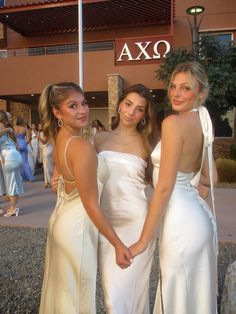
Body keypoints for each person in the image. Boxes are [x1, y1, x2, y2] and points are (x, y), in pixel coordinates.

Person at [130, 62, 218, 314]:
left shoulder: (173, 124)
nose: (176, 93)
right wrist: (193, 184)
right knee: (195, 297)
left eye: (186, 88)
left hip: (180, 222)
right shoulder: (202, 119)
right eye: (173, 87)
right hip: (199, 220)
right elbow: (211, 175)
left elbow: (164, 187)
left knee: (177, 295)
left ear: (200, 93)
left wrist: (143, 241)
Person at [38, 82, 132, 314]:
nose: (82, 110)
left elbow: (57, 181)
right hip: (77, 231)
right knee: (78, 298)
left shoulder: (60, 137)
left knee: (63, 295)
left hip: (62, 222)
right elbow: (91, 204)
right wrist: (118, 244)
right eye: (73, 106)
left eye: (84, 103)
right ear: (57, 112)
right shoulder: (80, 147)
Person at [94, 84, 157, 313]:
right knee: (112, 298)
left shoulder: (149, 143)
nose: (131, 112)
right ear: (120, 104)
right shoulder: (99, 139)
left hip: (136, 225)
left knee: (134, 293)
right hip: (106, 225)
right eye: (128, 104)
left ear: (144, 116)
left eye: (139, 109)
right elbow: (86, 177)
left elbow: (167, 180)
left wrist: (195, 184)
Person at [0, 110, 24, 217]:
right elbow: (16, 145)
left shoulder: (2, 126)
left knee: (12, 183)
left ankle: (14, 208)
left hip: (10, 156)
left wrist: (6, 129)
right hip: (12, 155)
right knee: (13, 181)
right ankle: (13, 207)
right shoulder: (7, 128)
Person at [14, 117, 35, 182]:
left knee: (18, 162)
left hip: (16, 144)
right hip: (23, 144)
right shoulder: (25, 128)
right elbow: (29, 139)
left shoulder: (13, 128)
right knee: (25, 162)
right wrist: (24, 144)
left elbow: (12, 138)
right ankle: (31, 177)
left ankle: (22, 177)